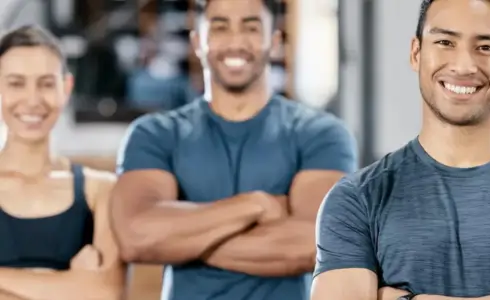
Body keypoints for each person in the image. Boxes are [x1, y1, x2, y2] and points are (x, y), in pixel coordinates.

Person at [311, 0, 490, 299]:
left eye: (486, 47)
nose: (463, 65)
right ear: (416, 53)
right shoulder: (357, 198)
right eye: (444, 42)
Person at [109, 0, 357, 299]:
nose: (236, 41)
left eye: (251, 27)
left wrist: (181, 239)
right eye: (220, 27)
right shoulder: (155, 134)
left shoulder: (321, 134)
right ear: (198, 41)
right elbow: (136, 237)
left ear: (274, 40)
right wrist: (255, 205)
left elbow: (312, 246)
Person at [0, 25, 126, 299]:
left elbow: (105, 293)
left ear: (66, 88)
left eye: (46, 83)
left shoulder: (101, 191)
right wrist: (69, 284)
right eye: (16, 83)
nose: (32, 100)